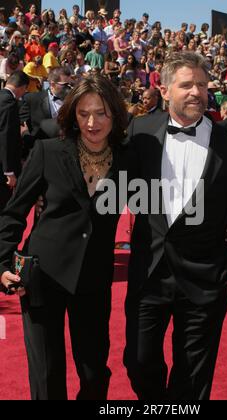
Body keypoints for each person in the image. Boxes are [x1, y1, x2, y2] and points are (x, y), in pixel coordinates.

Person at [124, 51, 227, 400]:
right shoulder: (140, 131)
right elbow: (116, 185)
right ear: (165, 90)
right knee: (138, 361)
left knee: (193, 375)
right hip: (149, 271)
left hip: (206, 278)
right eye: (186, 85)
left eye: (201, 84)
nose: (196, 91)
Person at [0, 75, 129, 400]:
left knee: (95, 372)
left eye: (101, 112)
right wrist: (2, 262)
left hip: (94, 278)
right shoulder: (48, 151)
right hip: (42, 275)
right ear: (72, 115)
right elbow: (14, 213)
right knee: (46, 373)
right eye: (84, 113)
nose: (92, 122)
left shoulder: (128, 161)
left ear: (114, 115)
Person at [0, 71, 29, 212]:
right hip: (3, 167)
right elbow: (5, 137)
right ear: (22, 87)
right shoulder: (9, 103)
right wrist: (9, 172)